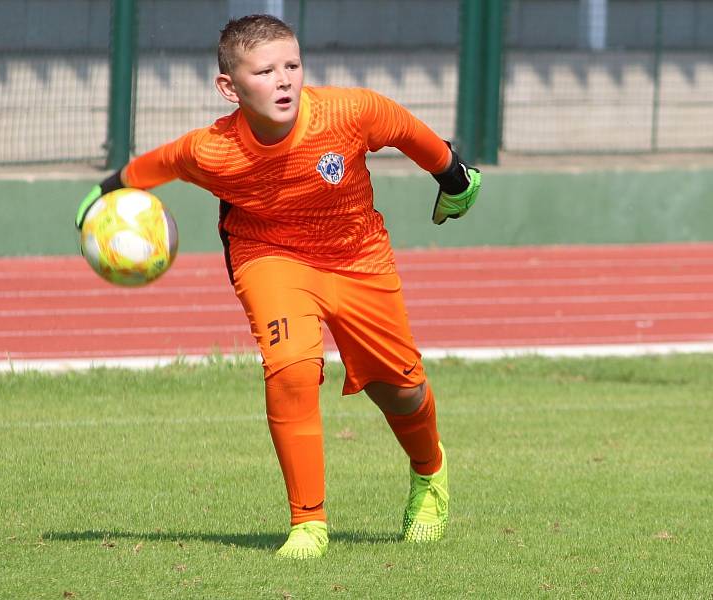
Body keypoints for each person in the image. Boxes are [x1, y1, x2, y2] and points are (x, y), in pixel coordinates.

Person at [76, 14, 481, 559]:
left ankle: (429, 473)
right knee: (290, 367)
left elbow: (404, 127)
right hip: (269, 256)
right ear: (229, 87)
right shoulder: (213, 150)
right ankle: (308, 524)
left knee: (401, 388)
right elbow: (159, 163)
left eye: (292, 64)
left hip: (358, 256)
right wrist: (104, 193)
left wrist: (451, 172)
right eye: (265, 71)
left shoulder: (348, 112)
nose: (284, 79)